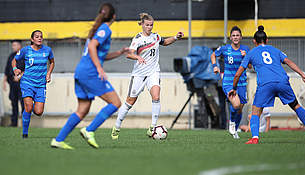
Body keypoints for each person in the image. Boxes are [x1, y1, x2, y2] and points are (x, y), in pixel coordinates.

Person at [51, 3, 129, 149]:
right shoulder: (105, 29)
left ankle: (58, 140)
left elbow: (98, 54)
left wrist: (119, 52)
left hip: (81, 72)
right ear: (114, 17)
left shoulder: (96, 30)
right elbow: (93, 47)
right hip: (90, 73)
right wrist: (99, 69)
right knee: (116, 103)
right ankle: (89, 130)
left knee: (82, 110)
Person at [229, 25, 305, 144]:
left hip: (266, 84)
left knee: (256, 111)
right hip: (282, 81)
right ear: (267, 40)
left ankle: (255, 138)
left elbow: (238, 74)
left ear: (254, 41)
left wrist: (234, 88)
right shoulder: (275, 50)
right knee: (296, 106)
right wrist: (302, 75)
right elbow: (289, 62)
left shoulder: (251, 53)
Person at [111, 13, 184, 140]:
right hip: (139, 74)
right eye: (147, 25)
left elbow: (165, 42)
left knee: (156, 96)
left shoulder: (156, 36)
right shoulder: (138, 39)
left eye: (151, 25)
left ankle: (152, 127)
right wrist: (137, 57)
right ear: (142, 25)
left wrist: (176, 37)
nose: (150, 27)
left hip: (153, 72)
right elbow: (129, 54)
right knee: (130, 102)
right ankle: (117, 126)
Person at [12, 30, 55, 138]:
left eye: (41, 36)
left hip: (41, 84)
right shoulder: (25, 50)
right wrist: (15, 69)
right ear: (32, 39)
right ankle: (25, 133)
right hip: (27, 82)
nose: (39, 38)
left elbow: (52, 62)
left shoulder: (47, 50)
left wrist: (49, 73)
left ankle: (27, 116)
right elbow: (14, 60)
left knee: (39, 111)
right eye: (37, 36)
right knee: (29, 107)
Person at [211, 26, 250, 139]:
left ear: (241, 37)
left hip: (242, 82)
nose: (235, 37)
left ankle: (235, 129)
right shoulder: (225, 49)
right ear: (230, 37)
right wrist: (215, 67)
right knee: (236, 104)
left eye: (237, 35)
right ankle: (232, 123)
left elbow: (251, 66)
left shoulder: (246, 49)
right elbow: (213, 55)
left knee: (240, 108)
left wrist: (246, 57)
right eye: (233, 35)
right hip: (228, 82)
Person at [3, 40, 24, 127]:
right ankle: (14, 123)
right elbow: (7, 69)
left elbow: (28, 69)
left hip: (22, 84)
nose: (13, 47)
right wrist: (4, 81)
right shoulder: (11, 56)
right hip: (12, 84)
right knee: (13, 103)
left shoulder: (24, 56)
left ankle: (24, 123)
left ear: (19, 45)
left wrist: (19, 76)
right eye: (13, 45)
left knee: (23, 103)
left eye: (15, 45)